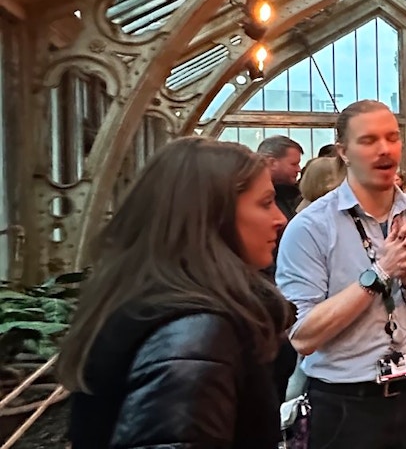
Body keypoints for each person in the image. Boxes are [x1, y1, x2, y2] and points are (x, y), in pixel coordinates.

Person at [60, 138, 292, 449]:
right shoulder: (195, 337)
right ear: (211, 215)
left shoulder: (147, 302)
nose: (280, 219)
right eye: (265, 203)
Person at [276, 100, 406, 449]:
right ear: (344, 152)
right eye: (369, 140)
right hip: (344, 406)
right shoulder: (311, 227)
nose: (384, 149)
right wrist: (379, 273)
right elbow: (302, 336)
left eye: (392, 138)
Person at [257, 135, 304, 221]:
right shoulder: (252, 197)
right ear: (272, 163)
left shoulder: (289, 195)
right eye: (294, 164)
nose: (299, 169)